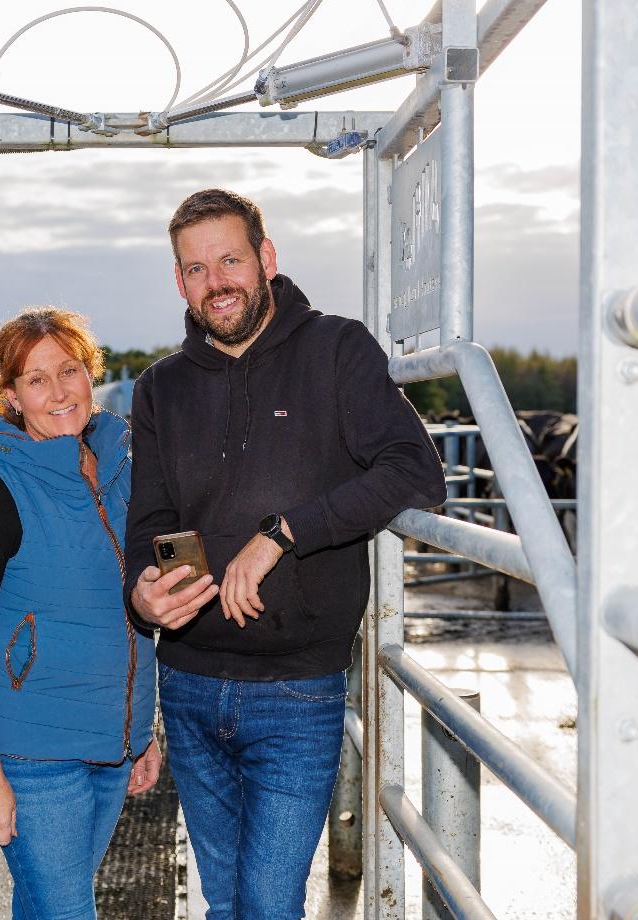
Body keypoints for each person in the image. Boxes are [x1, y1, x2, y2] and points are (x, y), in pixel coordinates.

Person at [125, 189, 446, 918]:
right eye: (196, 269)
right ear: (180, 281)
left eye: (230, 259)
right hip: (189, 683)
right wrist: (141, 596)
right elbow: (149, 522)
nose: (217, 282)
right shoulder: (160, 388)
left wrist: (281, 534)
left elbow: (414, 471)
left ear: (266, 259)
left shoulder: (335, 350)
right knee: (224, 903)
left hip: (296, 688)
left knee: (269, 907)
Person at [0, 307, 162, 920]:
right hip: (30, 754)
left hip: (111, 747)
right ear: (10, 397)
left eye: (70, 370)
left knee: (43, 909)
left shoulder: (121, 474)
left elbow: (134, 616)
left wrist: (142, 732)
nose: (59, 392)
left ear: (91, 375)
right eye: (36, 379)